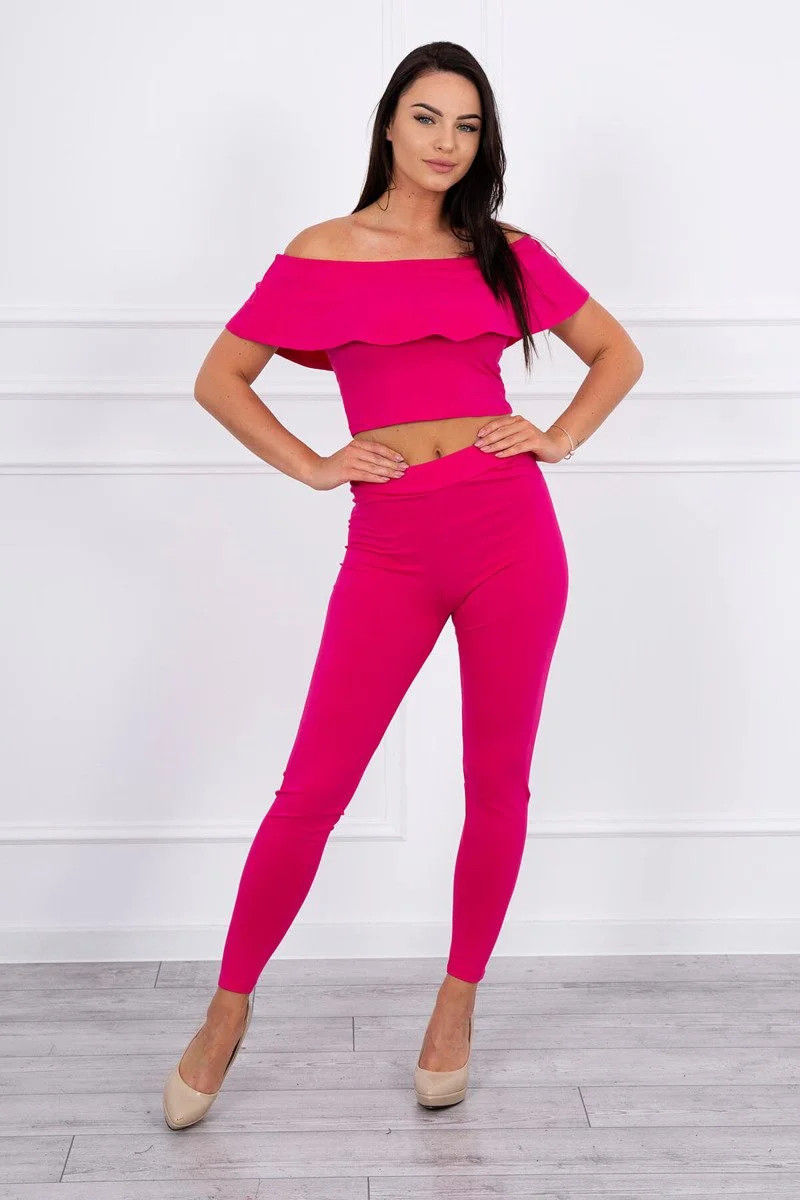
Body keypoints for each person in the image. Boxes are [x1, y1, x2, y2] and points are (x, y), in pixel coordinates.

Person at [162, 40, 644, 1129]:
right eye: (427, 117)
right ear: (389, 122)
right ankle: (227, 1010)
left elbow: (616, 353)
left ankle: (455, 1004)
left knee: (496, 783)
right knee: (313, 788)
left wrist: (557, 436)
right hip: (390, 543)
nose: (445, 142)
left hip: (509, 531)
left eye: (467, 126)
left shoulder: (503, 251)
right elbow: (219, 378)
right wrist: (313, 465)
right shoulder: (323, 251)